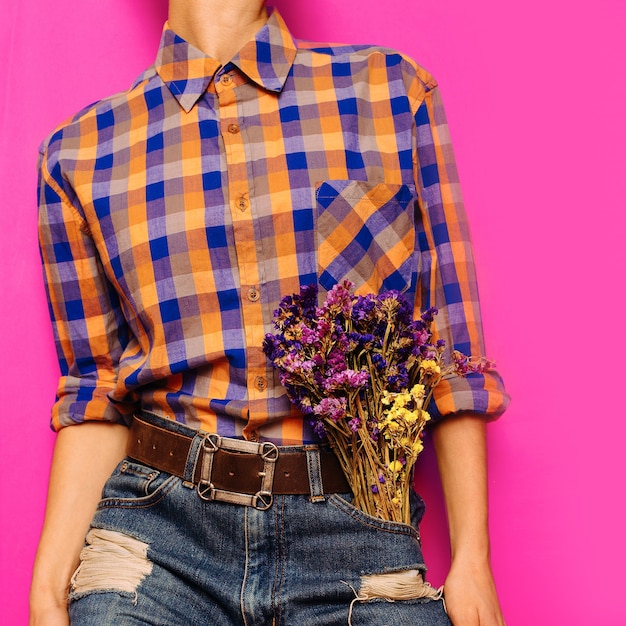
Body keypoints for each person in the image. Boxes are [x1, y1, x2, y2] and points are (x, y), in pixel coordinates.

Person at [30, 0, 510, 624]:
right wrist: (49, 586)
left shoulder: (388, 92)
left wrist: (473, 557)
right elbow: (96, 391)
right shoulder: (80, 154)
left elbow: (448, 351)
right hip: (159, 538)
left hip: (356, 527)